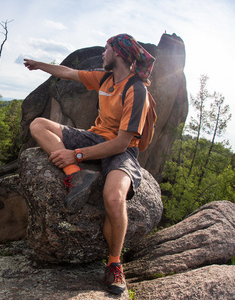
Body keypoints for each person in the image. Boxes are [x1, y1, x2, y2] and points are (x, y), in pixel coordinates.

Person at [23, 33, 155, 295]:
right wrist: (40, 64)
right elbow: (69, 72)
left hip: (121, 151)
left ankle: (114, 263)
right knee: (38, 124)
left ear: (118, 53)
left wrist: (77, 155)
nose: (103, 54)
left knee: (114, 199)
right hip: (94, 135)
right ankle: (77, 177)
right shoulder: (105, 78)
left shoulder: (136, 90)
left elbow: (121, 143)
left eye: (106, 49)